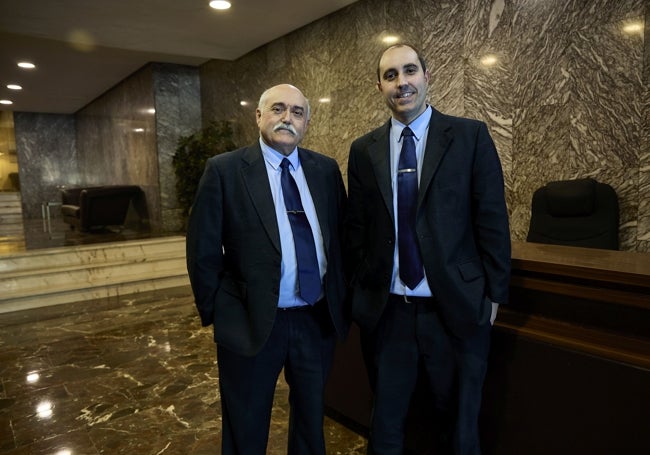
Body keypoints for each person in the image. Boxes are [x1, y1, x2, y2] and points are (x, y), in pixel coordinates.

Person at [346, 44, 511, 454]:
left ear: (426, 75)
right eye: (390, 75)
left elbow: (491, 219)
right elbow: (357, 229)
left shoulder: (469, 136)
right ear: (379, 85)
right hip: (390, 315)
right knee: (385, 428)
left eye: (409, 71)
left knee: (459, 430)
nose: (402, 83)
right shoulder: (363, 150)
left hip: (455, 310)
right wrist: (360, 291)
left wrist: (493, 297)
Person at [186, 83, 348, 455]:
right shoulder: (225, 170)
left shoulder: (324, 170)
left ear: (306, 121)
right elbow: (202, 249)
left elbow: (339, 239)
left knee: (311, 423)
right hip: (250, 319)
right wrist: (219, 311)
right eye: (278, 109)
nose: (287, 119)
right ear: (258, 116)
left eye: (296, 112)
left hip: (314, 319)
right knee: (246, 426)